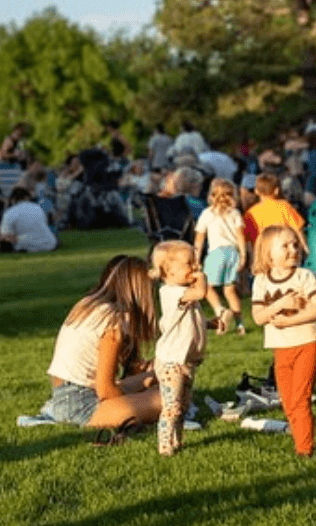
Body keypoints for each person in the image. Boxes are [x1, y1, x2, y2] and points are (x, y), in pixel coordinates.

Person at [46, 256, 161, 428]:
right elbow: (106, 391)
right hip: (83, 405)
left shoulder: (87, 304)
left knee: (157, 378)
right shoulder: (112, 321)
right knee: (171, 399)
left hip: (64, 397)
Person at [251, 225, 316, 457]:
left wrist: (290, 322)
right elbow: (258, 317)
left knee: (301, 399)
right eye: (285, 246)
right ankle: (299, 437)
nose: (293, 249)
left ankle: (304, 450)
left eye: (295, 244)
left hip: (306, 344)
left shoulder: (305, 276)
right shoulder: (261, 281)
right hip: (280, 351)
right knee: (288, 402)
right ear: (268, 253)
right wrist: (280, 305)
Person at [148, 240, 228, 456]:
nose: (196, 268)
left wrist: (210, 323)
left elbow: (192, 320)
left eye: (196, 262)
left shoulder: (184, 291)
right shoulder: (171, 292)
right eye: (189, 264)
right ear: (169, 271)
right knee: (171, 406)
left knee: (182, 406)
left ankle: (177, 441)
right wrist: (202, 278)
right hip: (170, 361)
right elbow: (202, 293)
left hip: (186, 361)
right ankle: (164, 444)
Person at [194, 178, 247, 336]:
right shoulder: (235, 214)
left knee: (206, 286)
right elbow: (240, 236)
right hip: (233, 253)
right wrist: (243, 255)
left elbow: (199, 238)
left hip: (216, 253)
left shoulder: (207, 214)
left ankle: (220, 310)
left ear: (211, 195)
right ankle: (240, 326)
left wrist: (196, 259)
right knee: (230, 291)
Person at [243, 173, 306, 248]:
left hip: (262, 253)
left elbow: (248, 241)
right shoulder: (284, 206)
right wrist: (305, 249)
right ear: (276, 190)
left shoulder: (250, 213)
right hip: (284, 250)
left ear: (256, 191)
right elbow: (298, 230)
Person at [0, 186, 58, 252]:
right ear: (27, 197)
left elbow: (5, 236)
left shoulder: (10, 212)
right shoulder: (38, 208)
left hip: (26, 245)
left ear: (12, 200)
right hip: (49, 244)